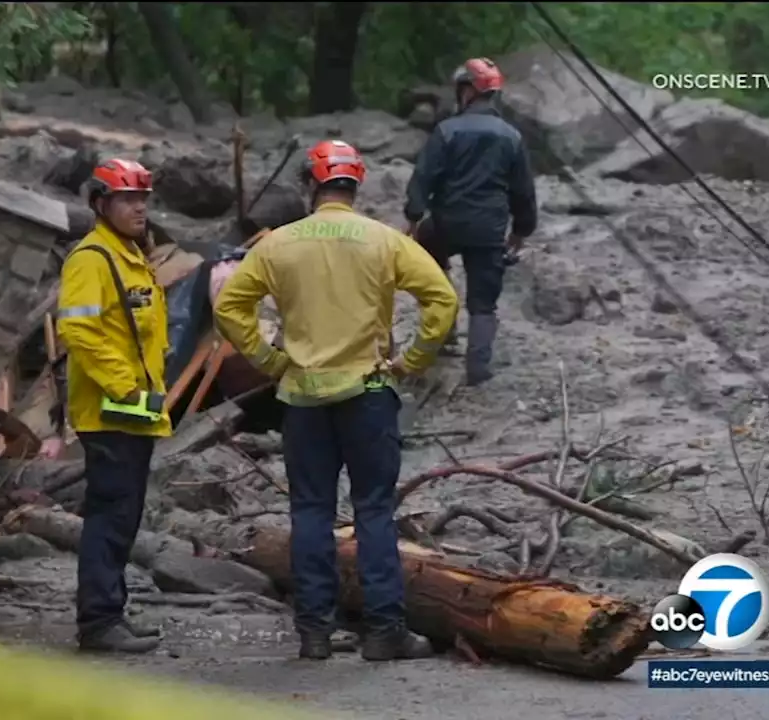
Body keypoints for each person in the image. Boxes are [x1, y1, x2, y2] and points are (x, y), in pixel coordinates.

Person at [213, 140, 458, 662]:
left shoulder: (279, 244)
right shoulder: (383, 240)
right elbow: (443, 297)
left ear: (311, 185)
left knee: (310, 512)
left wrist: (271, 360)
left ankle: (315, 631)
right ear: (355, 185)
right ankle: (383, 631)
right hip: (368, 394)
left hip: (301, 398)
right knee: (372, 510)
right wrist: (413, 360)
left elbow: (230, 306)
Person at [56, 158, 170, 654]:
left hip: (132, 410)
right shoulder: (93, 259)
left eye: (143, 198)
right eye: (128, 199)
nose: (139, 207)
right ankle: (99, 620)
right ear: (101, 204)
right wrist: (124, 386)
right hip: (110, 411)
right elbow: (77, 329)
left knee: (124, 516)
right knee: (110, 515)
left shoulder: (128, 256)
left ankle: (110, 612)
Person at [404, 57, 538, 386]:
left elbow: (423, 177)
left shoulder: (446, 130)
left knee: (431, 267)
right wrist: (521, 230)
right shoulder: (511, 136)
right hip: (489, 228)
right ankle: (477, 370)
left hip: (446, 223)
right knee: (483, 303)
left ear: (466, 91)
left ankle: (443, 333)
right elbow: (523, 190)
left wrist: (414, 217)